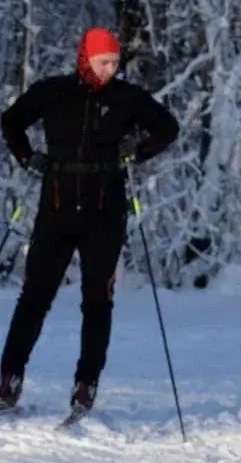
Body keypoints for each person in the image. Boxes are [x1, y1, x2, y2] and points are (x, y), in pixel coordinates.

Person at [0, 27, 179, 415]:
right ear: (85, 58)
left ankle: (86, 384)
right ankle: (9, 378)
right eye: (102, 62)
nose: (109, 70)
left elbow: (168, 128)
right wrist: (27, 157)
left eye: (114, 63)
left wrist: (138, 149)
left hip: (105, 213)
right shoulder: (54, 92)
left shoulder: (126, 98)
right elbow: (10, 122)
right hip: (56, 208)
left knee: (98, 301)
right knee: (34, 297)